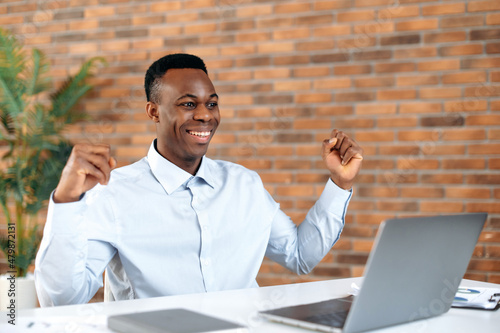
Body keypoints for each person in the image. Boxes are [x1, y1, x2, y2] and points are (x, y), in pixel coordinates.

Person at [34, 53, 363, 306]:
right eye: (188, 104)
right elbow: (61, 300)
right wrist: (65, 201)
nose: (205, 115)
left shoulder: (243, 184)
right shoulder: (113, 192)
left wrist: (340, 184)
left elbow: (299, 256)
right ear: (153, 112)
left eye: (212, 103)